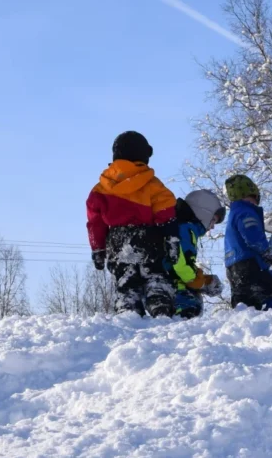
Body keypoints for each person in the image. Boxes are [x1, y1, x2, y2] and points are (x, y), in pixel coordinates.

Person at [86, 131, 178, 317]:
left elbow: (95, 221)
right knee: (154, 275)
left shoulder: (101, 187)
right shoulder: (151, 183)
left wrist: (98, 249)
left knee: (126, 281)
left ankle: (128, 312)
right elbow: (166, 211)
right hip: (149, 239)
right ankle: (159, 306)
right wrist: (171, 238)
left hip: (117, 242)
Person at [224, 174, 272, 310]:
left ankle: (247, 320)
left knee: (244, 298)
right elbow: (252, 234)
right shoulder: (245, 211)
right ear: (249, 195)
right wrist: (267, 251)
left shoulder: (234, 213)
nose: (256, 202)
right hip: (250, 264)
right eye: (255, 198)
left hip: (233, 267)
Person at [168, 189, 226, 318]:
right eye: (213, 221)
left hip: (168, 284)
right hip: (171, 288)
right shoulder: (186, 229)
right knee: (192, 304)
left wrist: (203, 279)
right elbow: (180, 265)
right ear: (203, 214)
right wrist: (201, 282)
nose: (212, 227)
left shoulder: (181, 226)